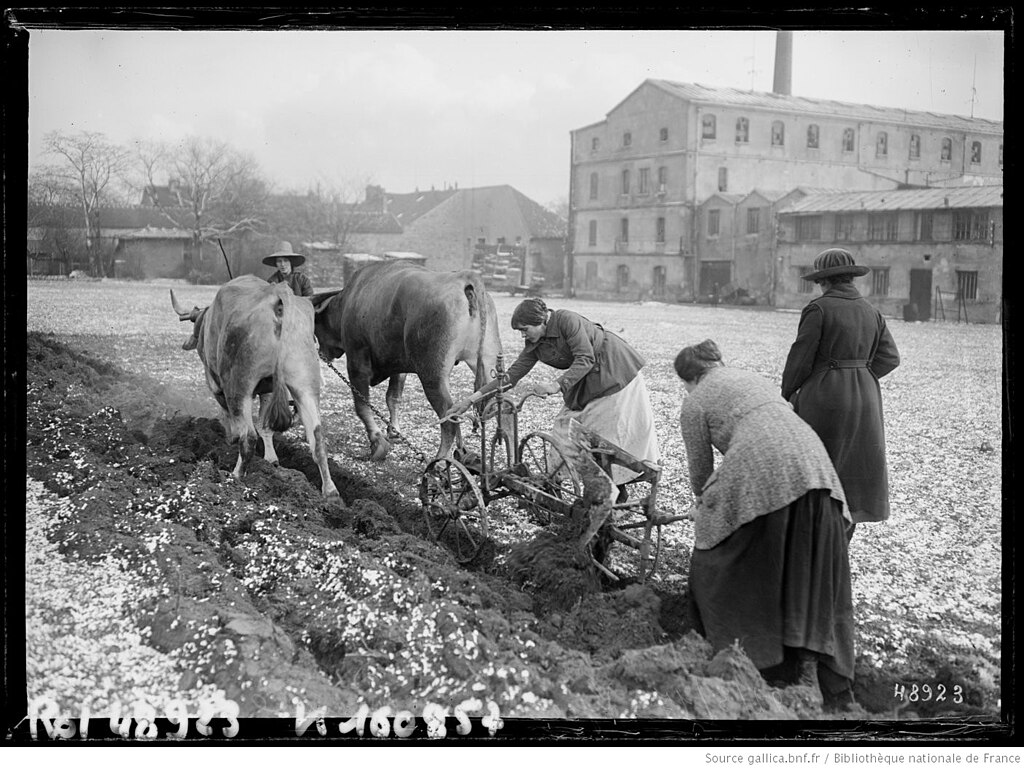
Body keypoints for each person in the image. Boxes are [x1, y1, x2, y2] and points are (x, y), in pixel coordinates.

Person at [675, 339, 857, 711]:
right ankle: (829, 683)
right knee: (802, 560)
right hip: (816, 465)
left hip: (764, 467)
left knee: (719, 560)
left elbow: (700, 469)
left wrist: (704, 504)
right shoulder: (750, 378)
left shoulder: (695, 401)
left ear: (690, 379)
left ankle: (753, 658)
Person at [444, 297, 660, 498]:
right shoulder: (535, 344)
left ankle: (613, 491)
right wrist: (471, 400)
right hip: (588, 378)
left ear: (540, 321)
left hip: (613, 370)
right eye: (519, 331)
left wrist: (556, 385)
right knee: (565, 427)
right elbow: (511, 376)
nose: (523, 335)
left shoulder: (566, 320)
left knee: (605, 434)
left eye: (524, 329)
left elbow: (585, 357)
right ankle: (557, 481)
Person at [781, 248, 900, 540]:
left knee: (819, 468)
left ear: (824, 281)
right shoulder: (872, 311)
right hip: (866, 398)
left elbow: (801, 358)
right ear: (850, 277)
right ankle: (842, 541)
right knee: (855, 471)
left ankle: (816, 543)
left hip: (825, 397)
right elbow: (890, 358)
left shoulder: (818, 308)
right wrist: (860, 374)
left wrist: (787, 393)